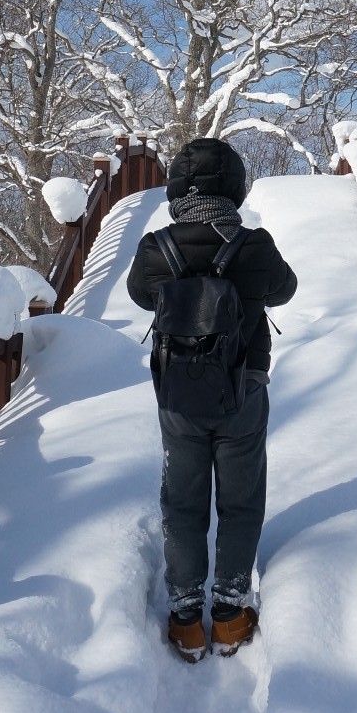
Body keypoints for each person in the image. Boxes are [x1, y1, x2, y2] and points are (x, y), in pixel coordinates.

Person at [126, 136, 297, 663]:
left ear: (178, 187)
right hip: (244, 389)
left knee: (182, 502)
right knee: (241, 500)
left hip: (178, 395)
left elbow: (138, 294)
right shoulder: (255, 245)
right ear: (236, 188)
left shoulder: (157, 247)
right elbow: (284, 290)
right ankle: (227, 615)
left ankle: (184, 620)